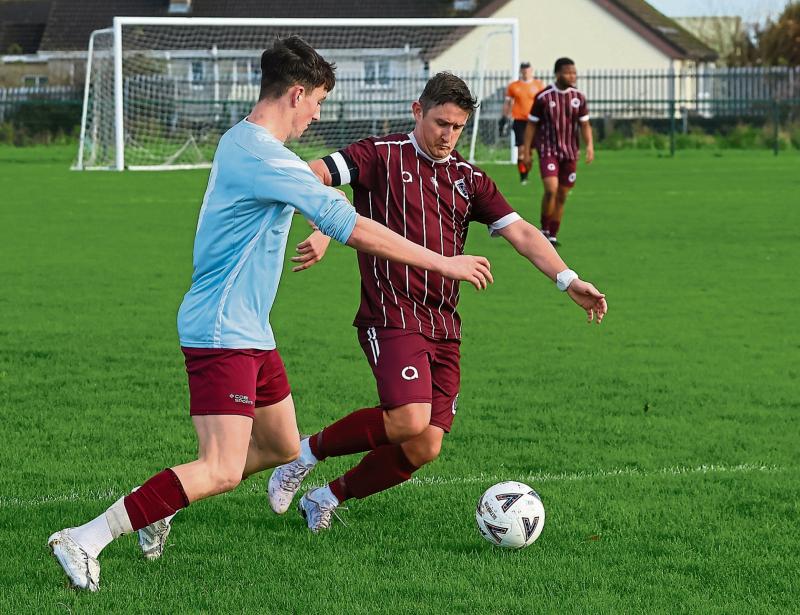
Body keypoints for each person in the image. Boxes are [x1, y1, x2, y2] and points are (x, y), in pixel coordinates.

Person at [47, 37, 494, 592]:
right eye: (319, 103)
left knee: (282, 446)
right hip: (221, 329)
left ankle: (161, 502)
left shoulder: (249, 146)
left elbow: (334, 207)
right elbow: (350, 225)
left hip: (251, 330)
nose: (318, 114)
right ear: (297, 93)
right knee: (222, 468)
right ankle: (85, 537)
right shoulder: (263, 155)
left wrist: (333, 226)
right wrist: (444, 263)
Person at [268, 72, 608, 533]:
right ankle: (302, 454)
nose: (448, 135)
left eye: (458, 127)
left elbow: (524, 232)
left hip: (444, 321)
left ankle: (325, 497)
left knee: (424, 444)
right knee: (408, 417)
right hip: (390, 312)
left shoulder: (469, 179)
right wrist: (326, 227)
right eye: (441, 123)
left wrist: (569, 280)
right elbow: (310, 175)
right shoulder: (380, 156)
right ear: (417, 111)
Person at [520, 57, 594, 247]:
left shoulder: (578, 97)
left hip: (570, 153)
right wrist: (526, 151)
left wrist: (590, 146)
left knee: (562, 194)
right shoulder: (544, 97)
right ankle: (544, 228)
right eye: (568, 72)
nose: (572, 76)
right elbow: (531, 126)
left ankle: (552, 233)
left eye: (574, 72)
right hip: (548, 150)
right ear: (558, 73)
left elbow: (585, 125)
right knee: (551, 190)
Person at [502, 62, 544, 184]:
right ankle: (523, 178)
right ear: (520, 71)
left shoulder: (539, 85)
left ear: (532, 70)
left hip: (535, 121)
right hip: (520, 121)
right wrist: (504, 118)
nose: (525, 72)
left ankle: (545, 175)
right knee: (521, 150)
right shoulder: (514, 86)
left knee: (533, 151)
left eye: (527, 70)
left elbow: (543, 103)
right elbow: (508, 103)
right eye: (523, 70)